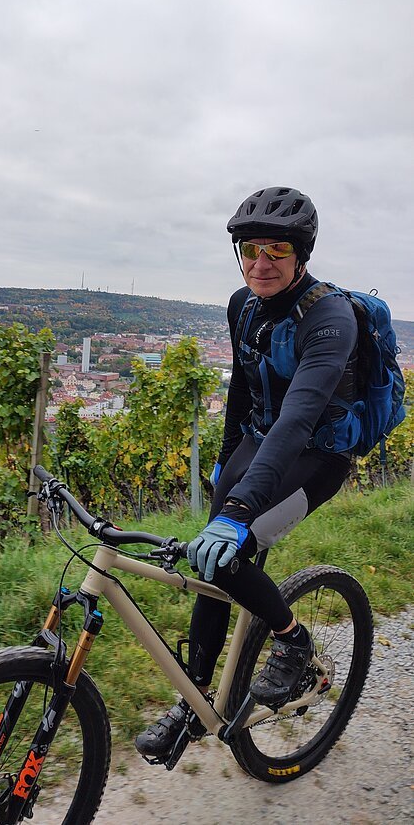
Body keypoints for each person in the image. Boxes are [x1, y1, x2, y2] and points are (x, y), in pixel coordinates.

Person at [136, 186, 359, 758]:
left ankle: (294, 641)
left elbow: (299, 417)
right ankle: (195, 702)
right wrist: (225, 459)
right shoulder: (243, 304)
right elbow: (243, 386)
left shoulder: (330, 317)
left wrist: (238, 510)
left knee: (233, 549)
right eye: (250, 249)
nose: (261, 262)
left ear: (301, 255)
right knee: (211, 565)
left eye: (276, 250)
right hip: (258, 442)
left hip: (317, 455)